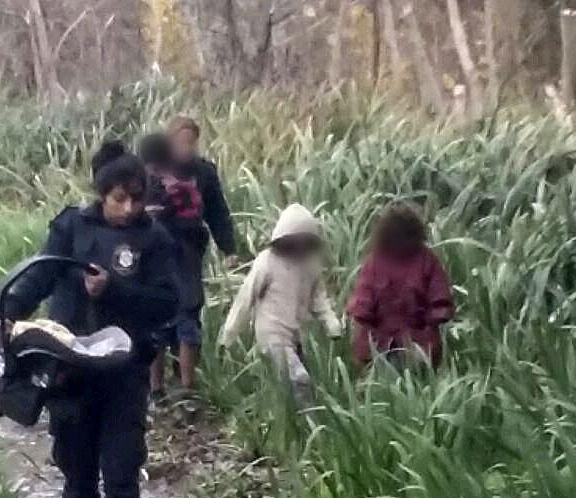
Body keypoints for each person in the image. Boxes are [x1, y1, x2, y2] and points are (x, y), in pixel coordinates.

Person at [0, 140, 179, 498]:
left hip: (125, 373)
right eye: (120, 198)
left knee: (121, 472)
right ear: (102, 194)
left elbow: (168, 303)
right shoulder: (71, 228)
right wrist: (3, 314)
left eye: (137, 199)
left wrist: (114, 290)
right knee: (76, 475)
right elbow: (39, 278)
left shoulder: (154, 240)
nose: (129, 208)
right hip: (70, 372)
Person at [146, 116, 236, 400]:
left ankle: (187, 388)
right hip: (156, 253)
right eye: (180, 142)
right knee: (156, 319)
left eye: (191, 142)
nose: (186, 148)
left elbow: (217, 211)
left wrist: (228, 247)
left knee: (188, 313)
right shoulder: (152, 171)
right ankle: (155, 388)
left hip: (189, 251)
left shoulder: (204, 172)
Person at [217, 203, 342, 405]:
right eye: (296, 238)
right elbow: (245, 299)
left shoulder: (311, 264)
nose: (300, 244)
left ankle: (292, 425)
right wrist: (228, 336)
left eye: (305, 239)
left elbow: (318, 298)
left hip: (297, 333)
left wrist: (331, 323)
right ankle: (306, 425)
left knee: (288, 387)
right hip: (272, 332)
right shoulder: (267, 262)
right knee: (299, 379)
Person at [345, 201, 454, 370]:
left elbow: (361, 306)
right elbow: (441, 304)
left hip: (412, 345)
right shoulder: (379, 261)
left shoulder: (378, 262)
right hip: (386, 345)